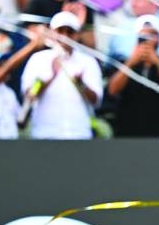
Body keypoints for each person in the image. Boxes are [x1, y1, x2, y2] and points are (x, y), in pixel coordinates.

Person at [20, 11, 103, 140]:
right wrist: (52, 75)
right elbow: (29, 96)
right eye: (60, 31)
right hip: (44, 134)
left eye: (70, 32)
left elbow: (96, 101)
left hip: (79, 134)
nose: (65, 36)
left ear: (77, 35)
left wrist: (81, 84)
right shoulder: (38, 59)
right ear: (52, 33)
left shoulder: (88, 61)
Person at [106, 15, 159, 138]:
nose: (147, 40)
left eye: (152, 35)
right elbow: (112, 90)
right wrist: (131, 62)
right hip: (128, 133)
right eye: (143, 36)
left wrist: (158, 63)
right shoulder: (124, 64)